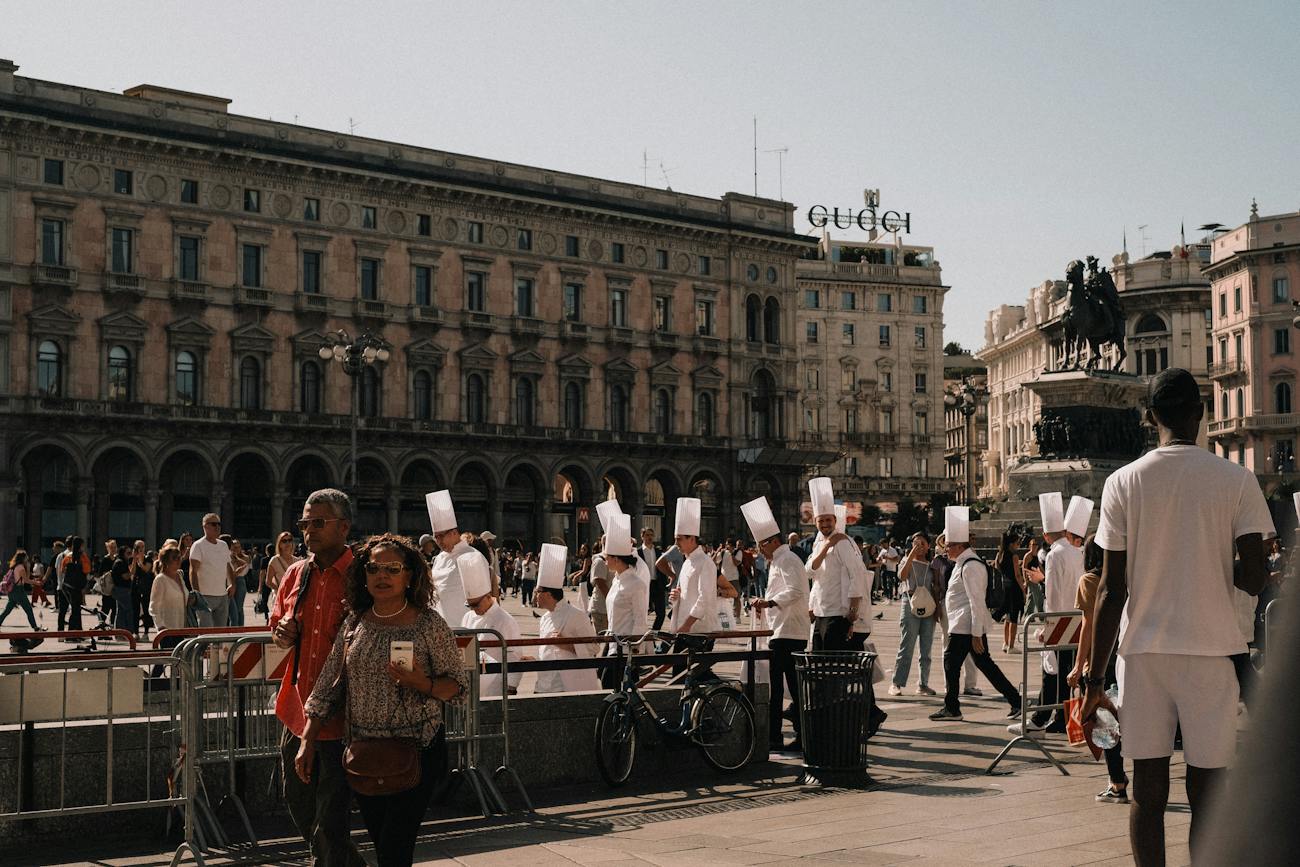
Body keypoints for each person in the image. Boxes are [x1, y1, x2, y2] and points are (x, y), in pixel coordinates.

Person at [1081, 368, 1273, 867]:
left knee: (1147, 788)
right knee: (1209, 788)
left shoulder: (1122, 482)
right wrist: (1208, 560)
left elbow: (1110, 589)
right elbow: (1254, 576)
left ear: (1149, 418)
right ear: (1202, 413)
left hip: (1143, 655)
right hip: (1212, 651)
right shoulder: (1237, 480)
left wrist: (1093, 681)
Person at [298, 533, 468, 867]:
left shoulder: (429, 624)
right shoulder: (355, 623)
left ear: (409, 576)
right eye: (374, 569)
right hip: (365, 755)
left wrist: (423, 682)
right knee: (381, 842)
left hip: (416, 750)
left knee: (394, 847)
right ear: (364, 576)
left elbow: (458, 688)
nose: (382, 576)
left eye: (392, 569)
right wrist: (307, 738)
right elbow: (328, 686)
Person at [270, 489, 366, 867]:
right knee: (299, 802)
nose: (309, 530)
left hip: (341, 715)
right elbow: (277, 622)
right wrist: (281, 632)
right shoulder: (296, 572)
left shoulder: (362, 575)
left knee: (331, 817)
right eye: (304, 523)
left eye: (318, 522)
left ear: (344, 526)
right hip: (296, 708)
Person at [929, 506, 1022, 721]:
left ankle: (952, 708)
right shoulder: (963, 563)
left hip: (966, 626)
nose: (946, 550)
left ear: (961, 545)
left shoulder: (971, 565)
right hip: (965, 625)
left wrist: (976, 633)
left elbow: (976, 601)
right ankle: (1015, 701)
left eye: (949, 545)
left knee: (952, 663)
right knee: (984, 665)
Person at [1012, 493, 1090, 736]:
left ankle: (1042, 719)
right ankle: (1066, 721)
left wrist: (1047, 626)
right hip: (1079, 620)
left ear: (1046, 535)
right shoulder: (1081, 551)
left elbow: (1055, 595)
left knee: (1053, 672)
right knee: (1072, 675)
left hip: (1061, 621)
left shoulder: (1055, 554)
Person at [743, 496, 809, 753]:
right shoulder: (779, 561)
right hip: (781, 630)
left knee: (788, 686)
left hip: (790, 631)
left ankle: (789, 736)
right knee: (780, 686)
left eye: (761, 544)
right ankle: (778, 736)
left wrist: (768, 602)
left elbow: (794, 591)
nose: (760, 550)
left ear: (772, 541)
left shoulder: (788, 560)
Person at [1066, 535, 1129, 804]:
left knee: (1104, 722)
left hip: (1100, 660)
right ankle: (1118, 779)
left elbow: (1087, 626)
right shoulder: (1126, 577)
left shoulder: (1089, 581)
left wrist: (1078, 666)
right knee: (1122, 716)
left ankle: (1117, 782)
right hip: (1126, 656)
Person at [805, 478, 866, 651]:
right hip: (819, 610)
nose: (825, 524)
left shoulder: (843, 542)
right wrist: (826, 547)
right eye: (821, 521)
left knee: (833, 662)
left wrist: (853, 609)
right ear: (815, 522)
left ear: (834, 520)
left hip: (838, 612)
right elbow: (810, 573)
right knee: (817, 661)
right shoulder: (818, 543)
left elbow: (857, 574)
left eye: (828, 520)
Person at [534, 541, 602, 693]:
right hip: (546, 684)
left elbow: (593, 647)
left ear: (548, 594)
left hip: (569, 685)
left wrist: (568, 645)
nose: (535, 595)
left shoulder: (576, 615)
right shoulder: (544, 618)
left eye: (538, 591)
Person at [460, 550, 522, 697]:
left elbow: (515, 656)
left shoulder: (505, 620)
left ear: (488, 596)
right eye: (470, 606)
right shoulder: (467, 617)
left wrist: (511, 687)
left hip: (496, 686)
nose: (473, 610)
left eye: (476, 605)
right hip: (471, 684)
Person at [889, 531, 939, 696]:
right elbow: (902, 576)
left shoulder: (932, 564)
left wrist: (937, 608)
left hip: (929, 605)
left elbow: (936, 587)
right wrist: (911, 555)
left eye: (922, 543)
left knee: (926, 648)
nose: (919, 546)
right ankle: (896, 683)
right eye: (915, 543)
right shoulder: (906, 560)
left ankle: (923, 684)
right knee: (907, 645)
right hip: (909, 603)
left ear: (928, 546)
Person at [668, 497, 720, 642]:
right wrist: (676, 596)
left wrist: (686, 625)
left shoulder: (706, 562)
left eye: (679, 539)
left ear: (691, 539)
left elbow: (704, 598)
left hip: (699, 630)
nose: (676, 544)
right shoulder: (687, 562)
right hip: (685, 628)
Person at [424, 490, 475, 628]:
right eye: (436, 537)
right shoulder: (439, 558)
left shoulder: (472, 556)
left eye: (441, 536)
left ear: (454, 532)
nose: (438, 541)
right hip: (439, 627)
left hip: (463, 628)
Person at [189, 514, 234, 628]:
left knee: (220, 633)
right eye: (214, 524)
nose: (217, 527)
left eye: (219, 524)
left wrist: (232, 584)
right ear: (205, 527)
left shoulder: (223, 545)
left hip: (222, 595)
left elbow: (228, 566)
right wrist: (197, 593)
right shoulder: (198, 545)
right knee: (206, 632)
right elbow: (193, 571)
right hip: (205, 596)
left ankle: (217, 647)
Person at [993, 530, 1026, 653]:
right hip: (1014, 588)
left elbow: (997, 570)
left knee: (1007, 618)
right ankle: (1011, 646)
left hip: (1004, 588)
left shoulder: (999, 555)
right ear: (1011, 544)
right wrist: (1023, 590)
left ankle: (1005, 643)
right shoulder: (1014, 556)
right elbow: (1017, 575)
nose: (1019, 545)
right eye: (1017, 543)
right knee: (1013, 618)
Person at [1, 550, 40, 630]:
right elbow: (26, 580)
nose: (27, 558)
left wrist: (28, 568)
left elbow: (25, 578)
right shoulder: (21, 567)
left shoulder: (14, 566)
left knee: (7, 610)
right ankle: (35, 627)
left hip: (12, 591)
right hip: (19, 591)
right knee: (28, 609)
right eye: (26, 557)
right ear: (23, 558)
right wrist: (36, 583)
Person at [61, 537, 90, 631]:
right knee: (76, 610)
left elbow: (62, 570)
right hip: (77, 587)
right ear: (81, 545)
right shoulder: (83, 557)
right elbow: (87, 570)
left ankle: (76, 631)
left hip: (68, 586)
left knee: (74, 609)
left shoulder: (68, 556)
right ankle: (74, 631)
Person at [223, 536, 250, 627]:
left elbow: (245, 566)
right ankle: (234, 628)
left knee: (238, 608)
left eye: (238, 547)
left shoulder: (244, 557)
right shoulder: (227, 554)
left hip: (239, 580)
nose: (236, 549)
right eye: (234, 546)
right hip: (229, 580)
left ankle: (239, 628)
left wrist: (235, 558)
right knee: (232, 609)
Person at [110, 543, 136, 636]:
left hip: (120, 589)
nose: (130, 555)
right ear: (123, 553)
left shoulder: (121, 561)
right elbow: (126, 576)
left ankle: (120, 632)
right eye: (128, 553)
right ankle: (127, 632)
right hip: (121, 590)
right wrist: (134, 562)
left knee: (121, 611)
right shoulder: (120, 562)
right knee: (128, 610)